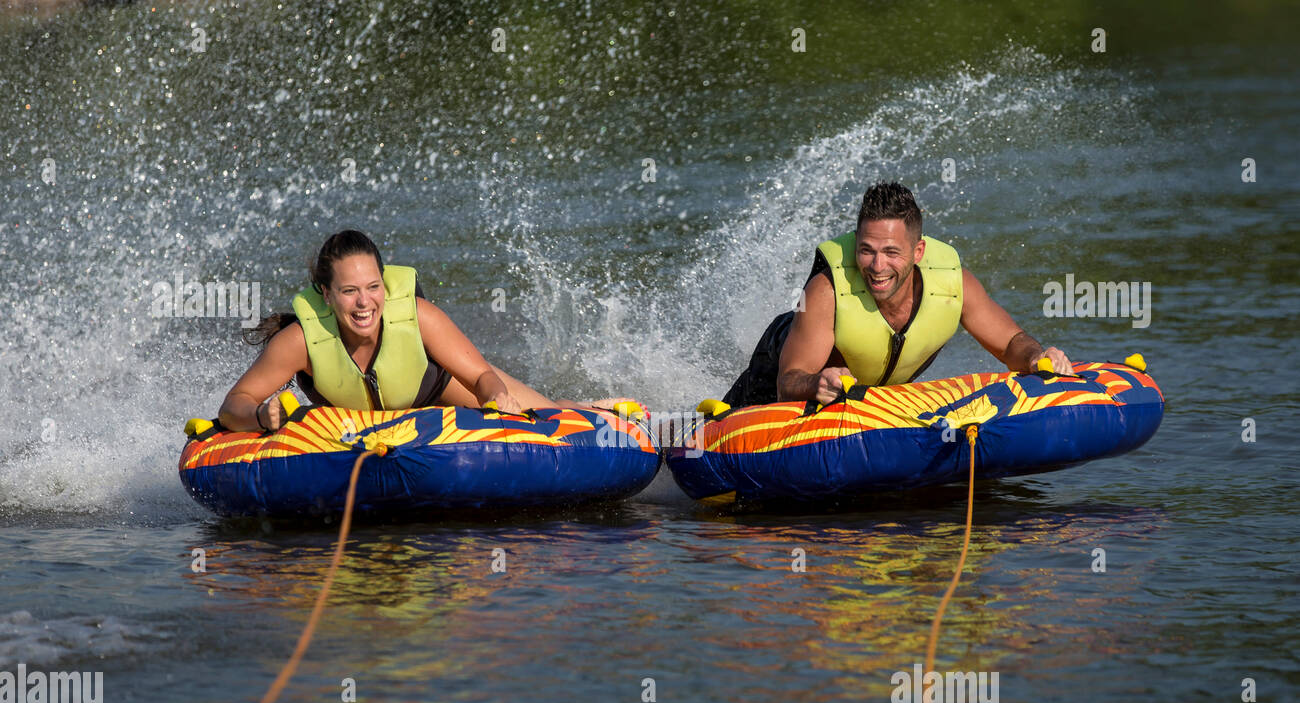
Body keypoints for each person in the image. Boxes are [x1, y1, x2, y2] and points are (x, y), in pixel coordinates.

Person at [220, 230, 623, 432]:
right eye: (349, 291)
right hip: (356, 427)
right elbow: (233, 404)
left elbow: (482, 376)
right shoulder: (300, 342)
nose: (365, 303)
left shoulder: (418, 316)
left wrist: (496, 399)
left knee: (549, 415)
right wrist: (260, 413)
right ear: (326, 295)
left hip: (433, 390)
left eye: (373, 288)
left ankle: (605, 413)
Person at [722, 182, 1072, 408]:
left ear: (918, 251)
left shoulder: (954, 285)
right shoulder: (826, 291)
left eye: (891, 252)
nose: (877, 266)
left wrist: (1037, 357)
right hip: (780, 356)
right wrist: (816, 382)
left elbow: (1011, 342)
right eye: (866, 250)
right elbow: (788, 382)